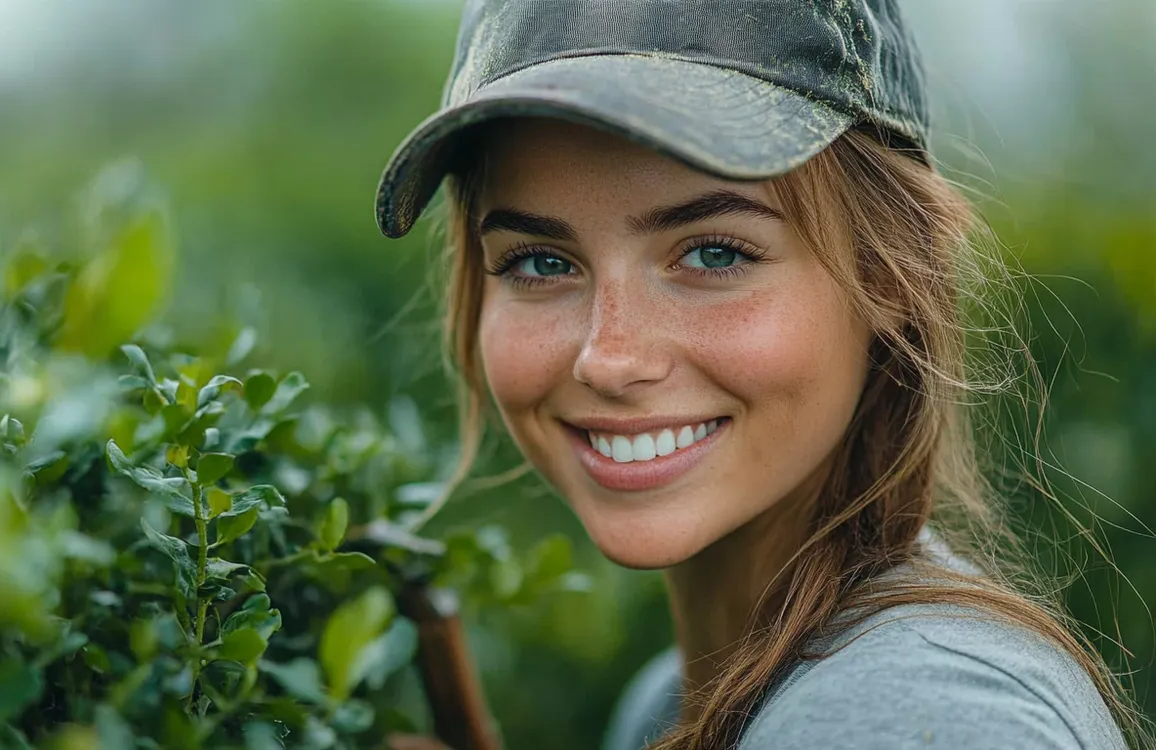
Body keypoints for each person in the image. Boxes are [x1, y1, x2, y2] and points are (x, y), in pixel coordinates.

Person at [372, 1, 1151, 749]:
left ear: (887, 275)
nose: (609, 358)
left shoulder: (912, 715)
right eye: (540, 262)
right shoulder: (671, 702)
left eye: (715, 253)